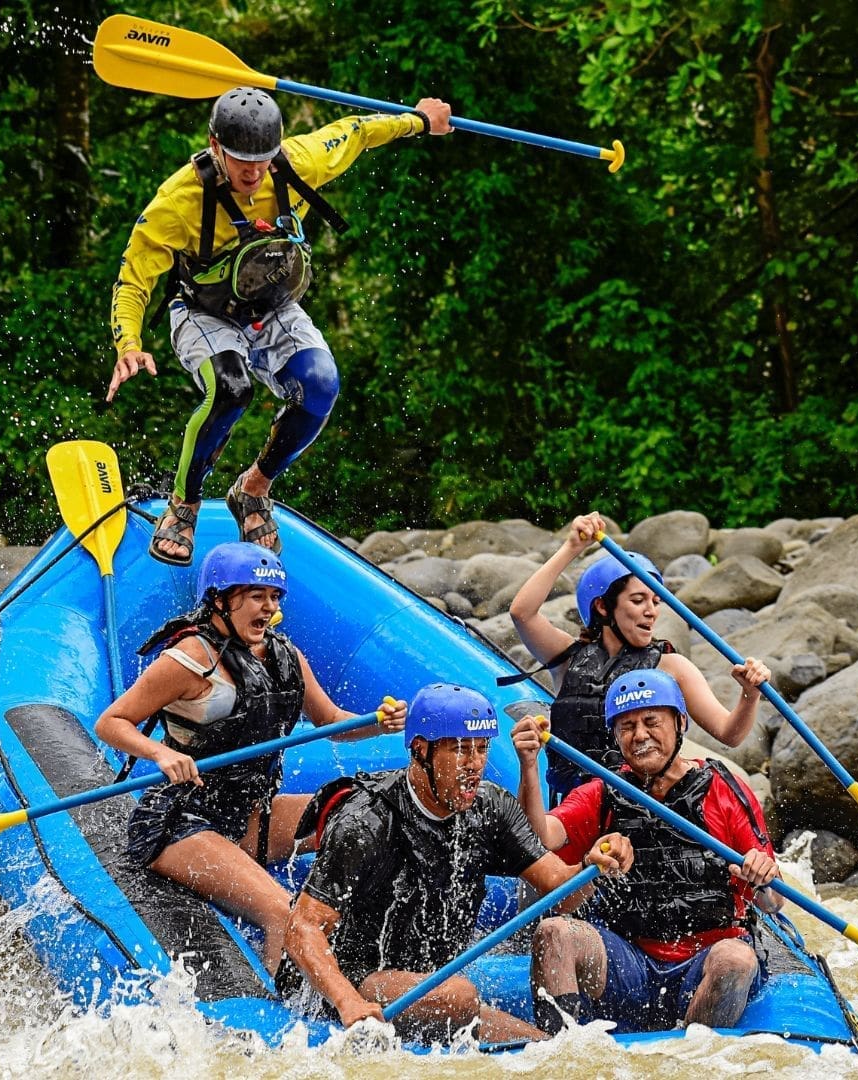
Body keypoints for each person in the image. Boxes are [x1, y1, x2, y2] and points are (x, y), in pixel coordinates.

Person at [107, 87, 454, 565]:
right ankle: (182, 506)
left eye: (263, 159)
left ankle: (252, 490)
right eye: (240, 160)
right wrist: (129, 341)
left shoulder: (299, 162)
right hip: (203, 312)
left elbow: (356, 132)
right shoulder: (178, 201)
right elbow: (134, 277)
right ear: (214, 146)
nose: (253, 172)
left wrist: (417, 120)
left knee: (321, 385)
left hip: (271, 308)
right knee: (231, 389)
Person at [93, 541, 406, 977]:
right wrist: (160, 752)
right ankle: (285, 1018)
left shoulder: (286, 657)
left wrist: (379, 722)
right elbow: (112, 722)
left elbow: (331, 719)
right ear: (221, 600)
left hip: (250, 817)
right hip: (184, 820)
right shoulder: (188, 660)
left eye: (274, 597)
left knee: (361, 813)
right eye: (256, 595)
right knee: (285, 910)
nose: (268, 607)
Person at [279, 682, 633, 1044]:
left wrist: (593, 866)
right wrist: (347, 1001)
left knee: (549, 1049)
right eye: (461, 750)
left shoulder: (490, 808)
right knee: (459, 996)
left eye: (481, 750)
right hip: (353, 981)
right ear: (421, 749)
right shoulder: (365, 820)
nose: (475, 765)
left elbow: (561, 891)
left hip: (425, 990)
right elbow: (301, 928)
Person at [511, 669, 783, 1035]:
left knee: (735, 958)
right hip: (630, 963)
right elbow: (537, 835)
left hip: (704, 960)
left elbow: (773, 902)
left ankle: (689, 1061)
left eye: (651, 722)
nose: (639, 736)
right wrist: (529, 765)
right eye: (627, 727)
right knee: (554, 932)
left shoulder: (724, 789)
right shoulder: (604, 791)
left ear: (680, 723)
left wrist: (763, 876)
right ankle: (561, 1054)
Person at [508, 510, 771, 797]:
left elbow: (729, 734)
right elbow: (522, 613)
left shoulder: (672, 666)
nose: (651, 611)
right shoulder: (568, 657)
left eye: (656, 601)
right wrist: (572, 547)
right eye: (638, 600)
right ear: (602, 607)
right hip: (574, 810)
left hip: (640, 811)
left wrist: (749, 694)